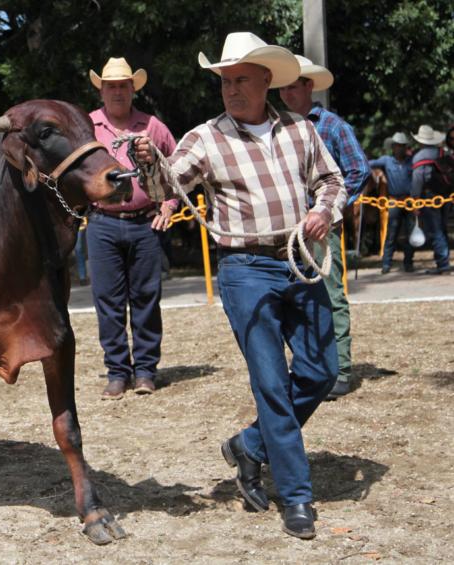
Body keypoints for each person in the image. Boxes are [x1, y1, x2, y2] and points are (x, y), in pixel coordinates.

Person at [136, 32, 346, 539]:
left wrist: (323, 211)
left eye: (241, 80)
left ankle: (250, 445)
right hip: (245, 269)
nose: (231, 89)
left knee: (322, 370)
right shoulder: (205, 138)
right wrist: (148, 161)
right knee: (271, 384)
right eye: (225, 81)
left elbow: (332, 181)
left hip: (298, 259)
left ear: (266, 81)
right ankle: (296, 496)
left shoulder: (300, 129)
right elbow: (165, 186)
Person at [278, 55, 371, 400]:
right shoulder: (280, 127)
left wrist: (329, 209)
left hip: (320, 227)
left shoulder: (332, 126)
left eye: (293, 87)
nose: (287, 94)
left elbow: (358, 170)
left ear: (309, 87)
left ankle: (340, 369)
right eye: (283, 88)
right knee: (295, 297)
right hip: (289, 227)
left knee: (330, 295)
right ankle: (313, 367)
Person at [86, 56, 178, 399]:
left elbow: (179, 168)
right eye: (111, 86)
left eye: (123, 86)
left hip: (145, 222)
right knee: (107, 301)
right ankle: (117, 372)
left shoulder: (153, 126)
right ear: (101, 90)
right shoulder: (87, 126)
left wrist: (169, 205)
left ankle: (145, 372)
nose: (117, 92)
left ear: (132, 89)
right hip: (102, 222)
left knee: (146, 299)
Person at [368, 132, 415, 274]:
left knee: (410, 233)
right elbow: (367, 164)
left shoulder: (412, 161)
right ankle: (386, 264)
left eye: (402, 146)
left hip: (409, 201)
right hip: (394, 201)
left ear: (406, 147)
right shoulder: (386, 160)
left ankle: (408, 263)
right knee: (391, 233)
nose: (400, 148)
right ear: (393, 147)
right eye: (397, 146)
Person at [411, 125, 450, 275]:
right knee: (443, 228)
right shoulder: (442, 152)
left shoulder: (419, 157)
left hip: (429, 198)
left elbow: (417, 181)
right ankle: (444, 260)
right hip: (445, 196)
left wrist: (415, 200)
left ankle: (443, 264)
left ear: (420, 141)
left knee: (436, 230)